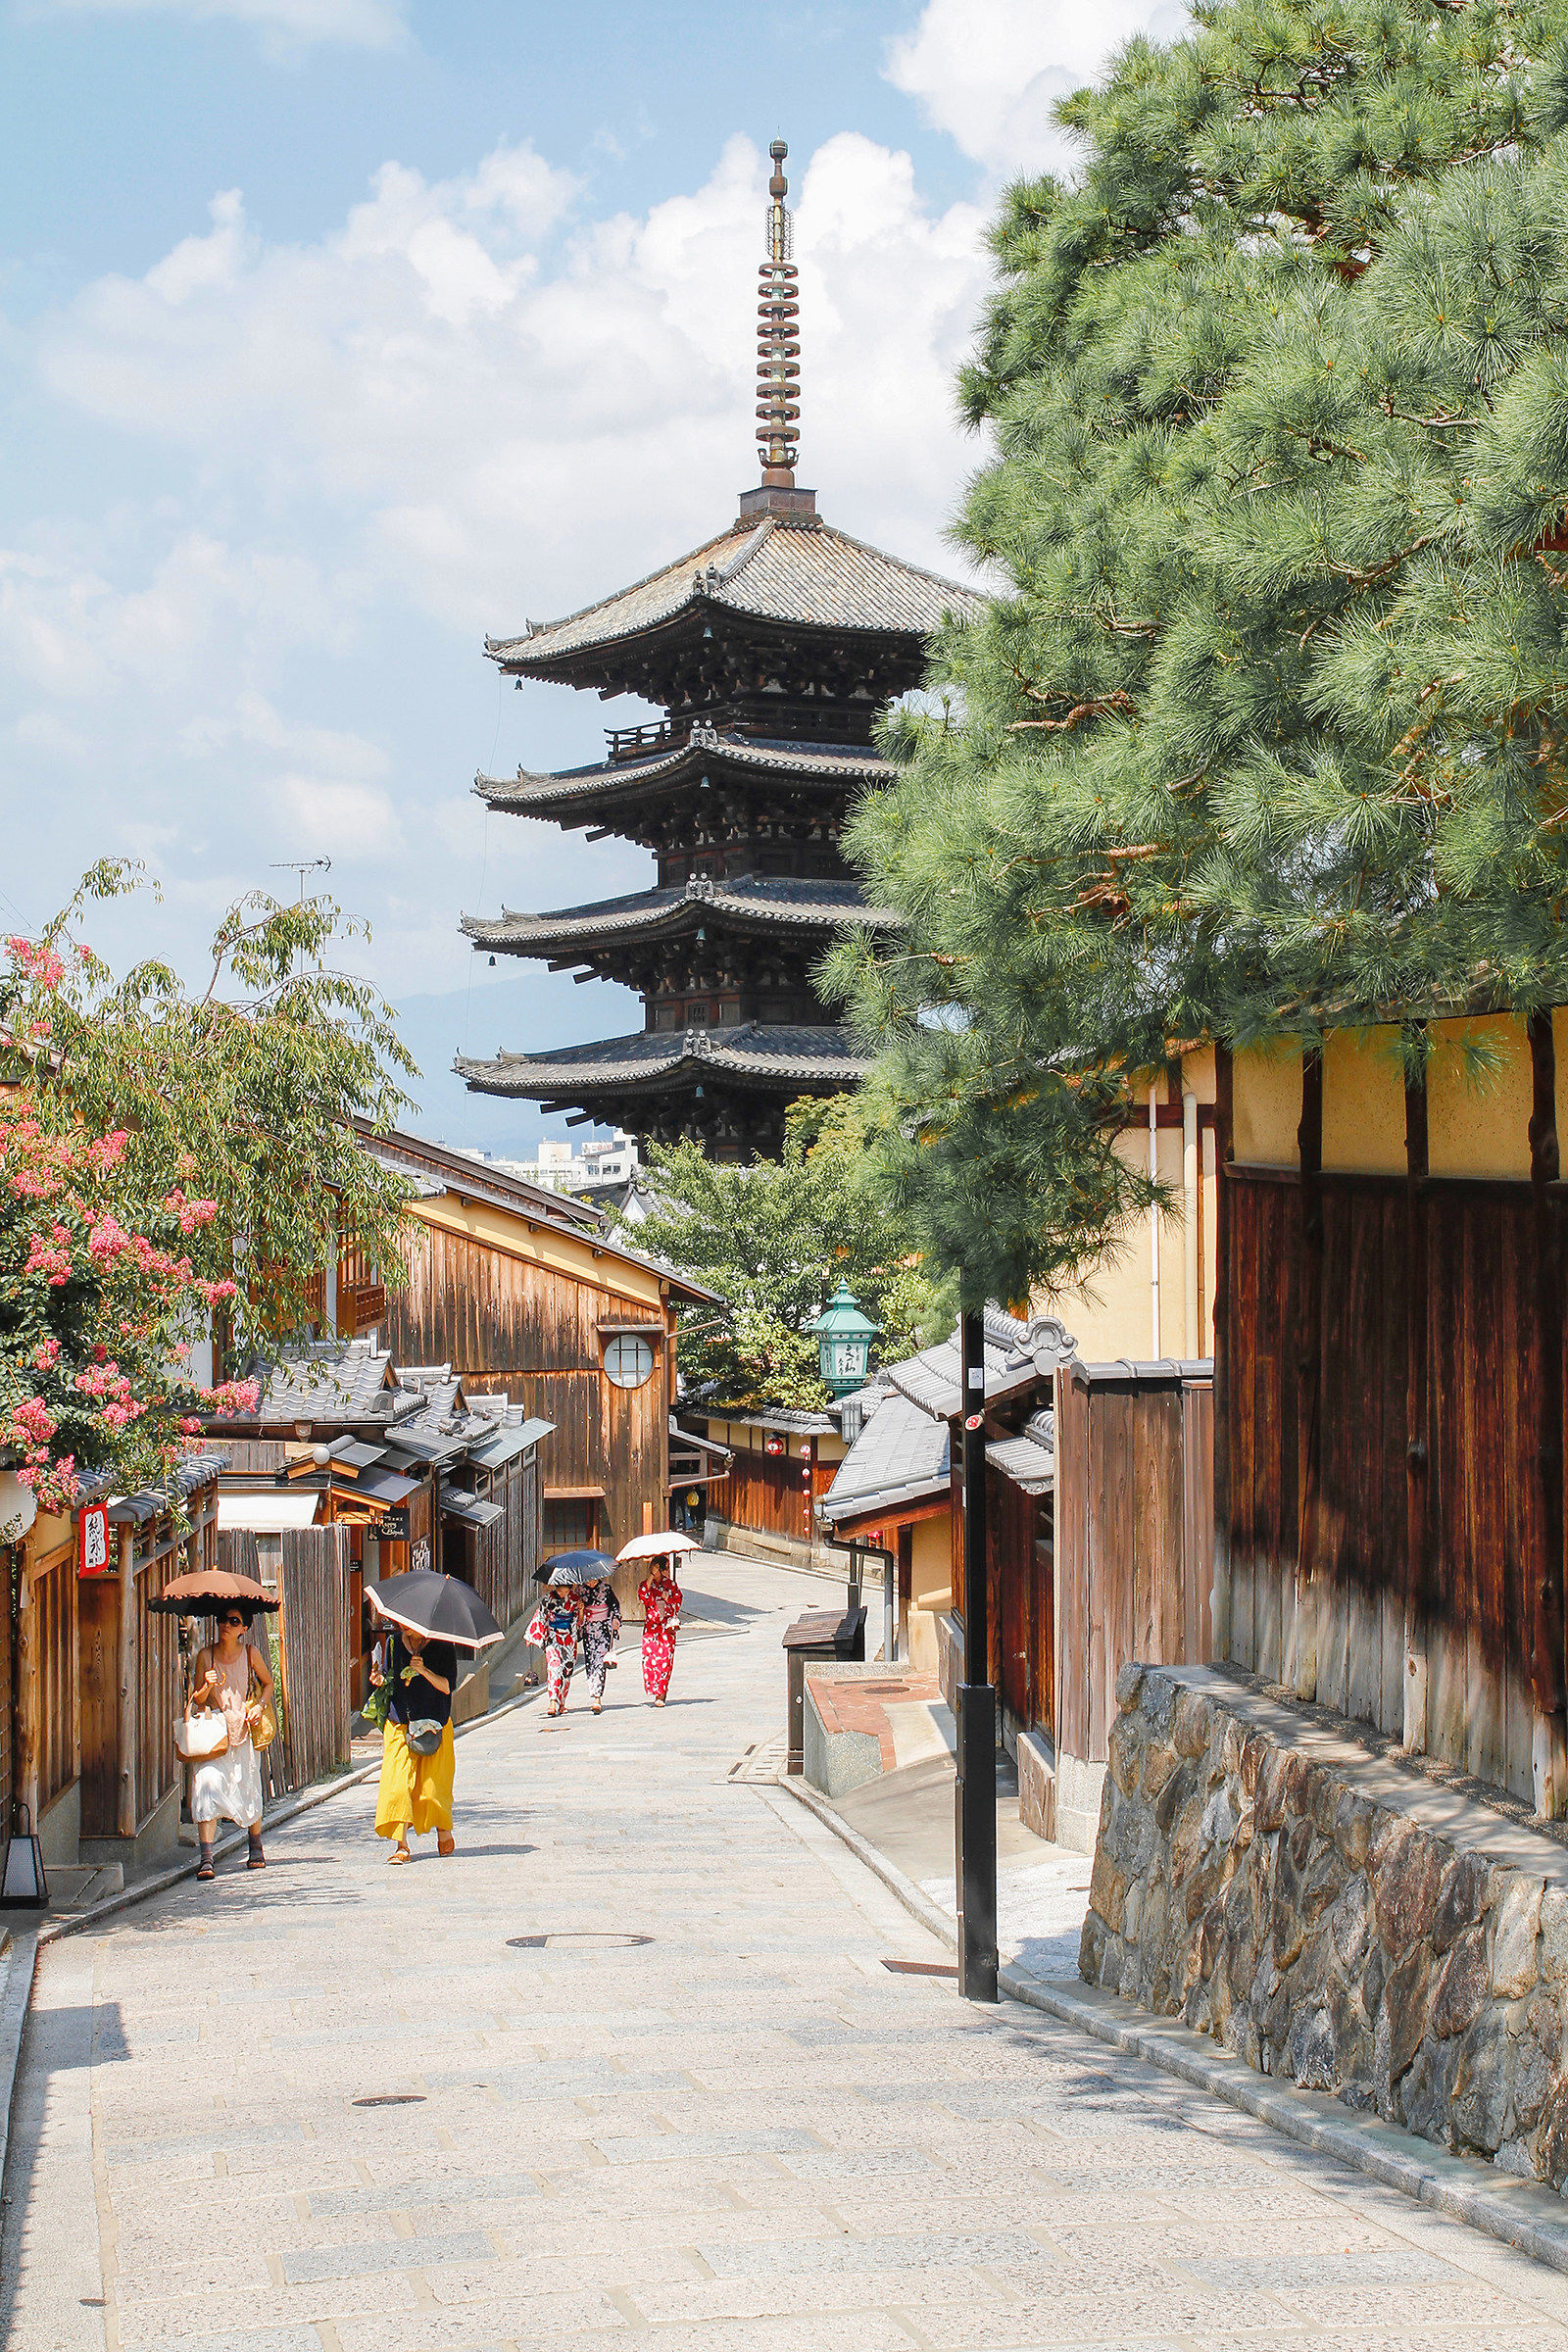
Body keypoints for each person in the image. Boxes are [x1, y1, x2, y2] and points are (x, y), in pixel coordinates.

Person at [189, 1608, 274, 1880]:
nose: (226, 1624)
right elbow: (198, 1699)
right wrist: (206, 1683)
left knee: (248, 1785)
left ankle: (255, 1846)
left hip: (244, 1729)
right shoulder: (206, 1655)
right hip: (214, 1732)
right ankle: (206, 1858)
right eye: (222, 1619)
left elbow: (269, 1683)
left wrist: (260, 1706)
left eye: (233, 1621)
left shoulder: (250, 1653)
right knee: (206, 1785)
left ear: (244, 1629)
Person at [371, 1621, 458, 1863]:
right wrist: (378, 1678)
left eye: (409, 1623)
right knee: (397, 1786)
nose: (403, 1626)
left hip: (435, 1724)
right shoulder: (393, 1643)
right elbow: (389, 1679)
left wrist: (424, 1671)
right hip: (400, 1724)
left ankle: (443, 1829)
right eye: (401, 1621)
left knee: (433, 1788)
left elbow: (447, 1686)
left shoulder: (443, 1645)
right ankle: (402, 1845)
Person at [638, 1558, 683, 1706]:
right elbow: (642, 1596)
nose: (657, 1571)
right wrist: (651, 1577)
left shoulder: (670, 1585)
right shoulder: (646, 1584)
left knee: (665, 1659)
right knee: (650, 1660)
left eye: (659, 1568)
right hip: (651, 1627)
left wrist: (668, 1599)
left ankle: (661, 1694)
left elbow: (678, 1601)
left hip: (666, 1627)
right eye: (654, 1568)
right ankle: (654, 1689)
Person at [538, 1584, 582, 1717]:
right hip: (552, 1636)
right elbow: (540, 1617)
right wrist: (537, 1636)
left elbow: (579, 1621)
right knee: (554, 1667)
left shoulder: (575, 1599)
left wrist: (581, 1610)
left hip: (568, 1637)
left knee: (566, 1671)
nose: (563, 1594)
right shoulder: (548, 1599)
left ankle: (561, 1702)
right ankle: (552, 1702)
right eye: (560, 1591)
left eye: (565, 1591)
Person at [580, 1578, 623, 1715]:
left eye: (594, 1580)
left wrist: (615, 1619)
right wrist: (579, 1607)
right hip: (588, 1628)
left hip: (603, 1629)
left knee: (600, 1662)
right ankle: (593, 1691)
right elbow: (576, 1609)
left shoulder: (606, 1588)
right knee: (590, 1661)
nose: (592, 1583)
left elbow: (614, 1606)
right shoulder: (580, 1590)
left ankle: (597, 1697)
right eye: (589, 1580)